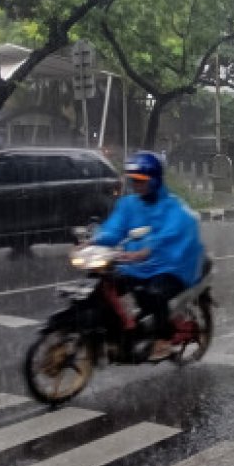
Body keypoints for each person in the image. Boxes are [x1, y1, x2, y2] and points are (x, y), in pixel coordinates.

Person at [92, 151, 205, 361]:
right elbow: (114, 229)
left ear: (154, 180)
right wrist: (94, 241)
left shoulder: (174, 208)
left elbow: (170, 235)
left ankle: (163, 340)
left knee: (154, 294)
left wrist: (148, 250)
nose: (136, 184)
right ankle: (121, 332)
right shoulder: (129, 204)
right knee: (105, 284)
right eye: (133, 180)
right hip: (137, 264)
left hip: (172, 265)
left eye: (141, 180)